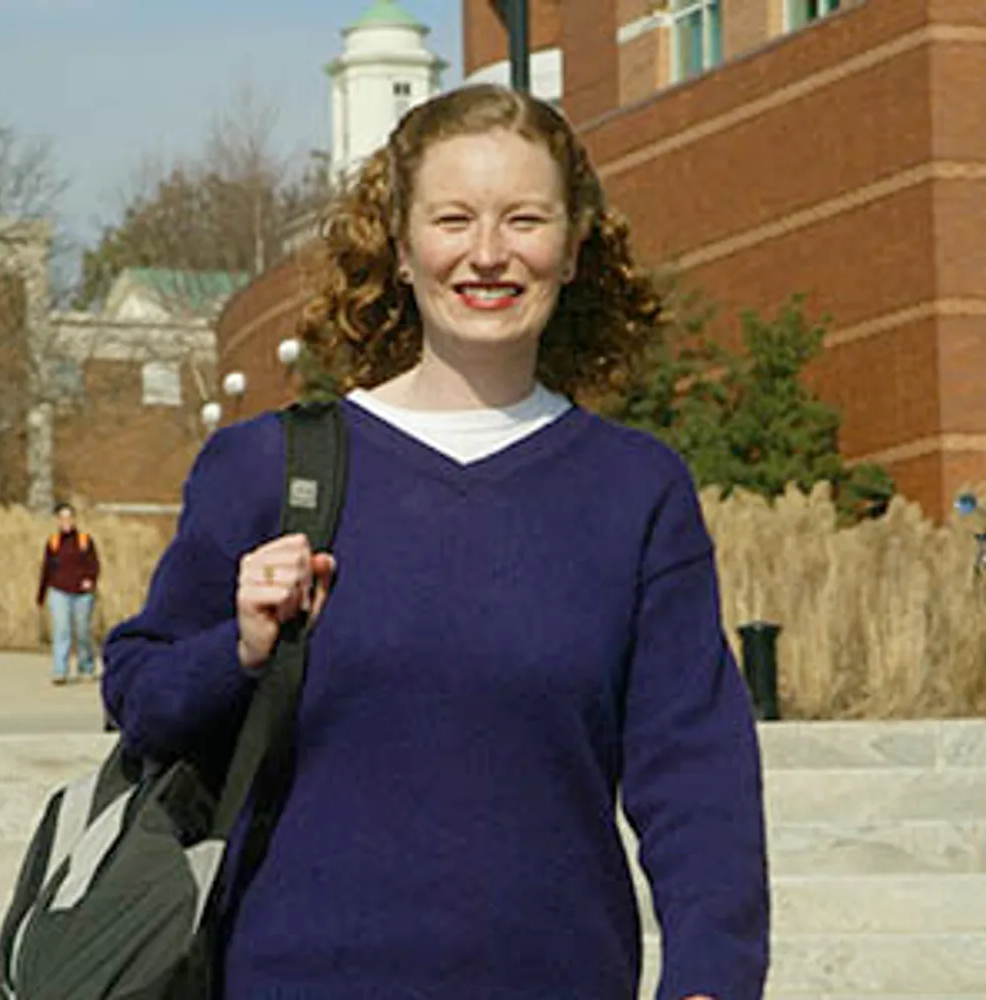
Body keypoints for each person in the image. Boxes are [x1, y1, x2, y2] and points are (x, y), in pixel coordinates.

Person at [102, 84, 769, 1000]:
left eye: (524, 220)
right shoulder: (267, 468)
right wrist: (240, 648)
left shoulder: (636, 490)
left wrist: (712, 975)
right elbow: (139, 701)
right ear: (402, 246)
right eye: (453, 219)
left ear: (573, 248)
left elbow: (696, 768)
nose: (488, 253)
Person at [37, 501, 100, 684]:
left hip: (82, 592)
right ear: (57, 520)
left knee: (82, 631)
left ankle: (86, 667)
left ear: (74, 519)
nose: (66, 521)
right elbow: (46, 569)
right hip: (59, 591)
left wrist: (90, 580)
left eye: (69, 517)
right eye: (62, 517)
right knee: (61, 630)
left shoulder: (85, 540)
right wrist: (41, 594)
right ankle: (60, 671)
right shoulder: (53, 542)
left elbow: (94, 565)